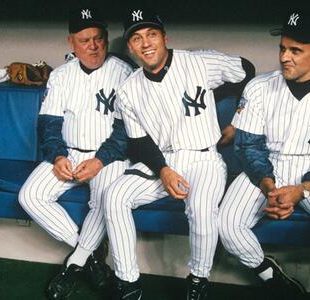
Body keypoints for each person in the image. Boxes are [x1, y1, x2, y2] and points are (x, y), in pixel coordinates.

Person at [103, 8, 254, 300]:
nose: (145, 43)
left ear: (164, 37)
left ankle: (198, 279)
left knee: (201, 210)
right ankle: (128, 282)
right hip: (161, 160)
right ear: (130, 46)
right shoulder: (128, 89)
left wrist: (239, 119)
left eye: (151, 34)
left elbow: (246, 69)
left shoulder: (198, 62)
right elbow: (139, 142)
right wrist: (163, 170)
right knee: (114, 196)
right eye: (136, 38)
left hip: (204, 158)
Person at [218, 9, 310, 298]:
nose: (285, 57)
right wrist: (268, 186)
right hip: (265, 167)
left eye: (296, 50)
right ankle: (269, 274)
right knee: (227, 223)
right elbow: (247, 146)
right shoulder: (259, 87)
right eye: (283, 48)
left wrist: (304, 189)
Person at [17, 6, 134, 300]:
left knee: (105, 200)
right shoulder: (61, 75)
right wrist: (57, 156)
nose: (93, 46)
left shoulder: (124, 73)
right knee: (30, 196)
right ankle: (92, 254)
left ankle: (74, 264)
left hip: (108, 156)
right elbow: (48, 124)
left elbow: (126, 132)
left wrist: (100, 160)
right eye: (85, 40)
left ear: (106, 40)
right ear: (71, 43)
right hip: (69, 152)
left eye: (98, 39)